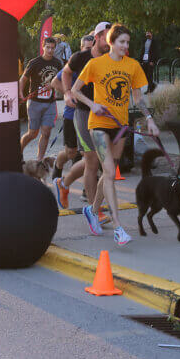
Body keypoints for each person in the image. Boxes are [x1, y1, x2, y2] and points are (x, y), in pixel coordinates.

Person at [73, 23, 161, 246]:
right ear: (111, 42)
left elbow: (138, 98)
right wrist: (92, 104)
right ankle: (118, 227)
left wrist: (149, 119)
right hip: (99, 123)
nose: (125, 46)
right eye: (121, 42)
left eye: (128, 42)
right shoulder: (95, 64)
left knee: (109, 174)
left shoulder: (132, 66)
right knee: (110, 172)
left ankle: (92, 211)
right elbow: (74, 90)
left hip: (120, 125)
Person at [61, 23, 112, 215]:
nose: (110, 43)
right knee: (92, 160)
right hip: (83, 113)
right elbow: (65, 73)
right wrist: (67, 92)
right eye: (107, 39)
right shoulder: (80, 57)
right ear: (97, 37)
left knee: (101, 160)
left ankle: (64, 183)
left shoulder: (113, 58)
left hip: (105, 115)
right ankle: (94, 210)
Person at [53, 34, 94, 209]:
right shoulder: (75, 63)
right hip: (72, 114)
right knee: (71, 152)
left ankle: (87, 190)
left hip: (91, 115)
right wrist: (69, 93)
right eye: (85, 48)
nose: (88, 51)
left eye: (90, 48)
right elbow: (55, 81)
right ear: (80, 48)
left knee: (89, 155)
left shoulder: (97, 63)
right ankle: (58, 164)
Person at [20, 36, 61, 162]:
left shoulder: (57, 63)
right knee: (33, 133)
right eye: (47, 47)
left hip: (49, 103)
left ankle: (39, 160)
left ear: (55, 49)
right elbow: (23, 79)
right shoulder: (35, 62)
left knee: (46, 132)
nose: (49, 50)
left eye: (52, 48)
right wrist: (21, 94)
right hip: (35, 102)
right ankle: (19, 150)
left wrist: (54, 85)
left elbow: (62, 80)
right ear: (43, 47)